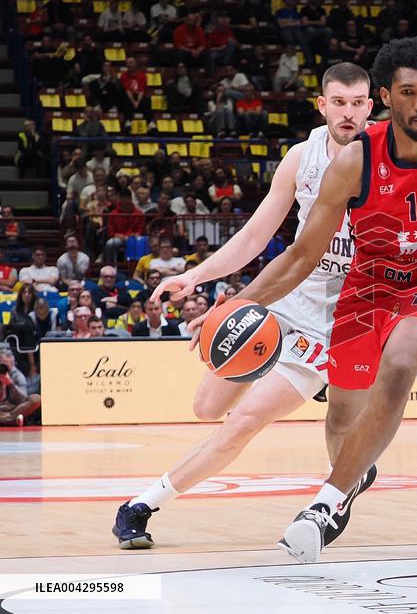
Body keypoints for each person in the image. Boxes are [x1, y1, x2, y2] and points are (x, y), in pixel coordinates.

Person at [200, 37, 417, 564]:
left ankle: (324, 504)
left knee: (401, 360)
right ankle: (349, 482)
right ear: (385, 97)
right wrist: (237, 303)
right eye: (408, 92)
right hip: (367, 288)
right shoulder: (354, 164)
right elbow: (299, 258)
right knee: (342, 415)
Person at [112, 63, 376, 550]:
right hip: (282, 296)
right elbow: (256, 235)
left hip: (332, 324)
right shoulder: (302, 157)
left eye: (358, 102)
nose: (348, 112)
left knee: (244, 422)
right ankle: (352, 443)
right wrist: (194, 277)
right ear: (322, 105)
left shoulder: (387, 160)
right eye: (338, 101)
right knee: (205, 407)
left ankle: (141, 506)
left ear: (370, 105)